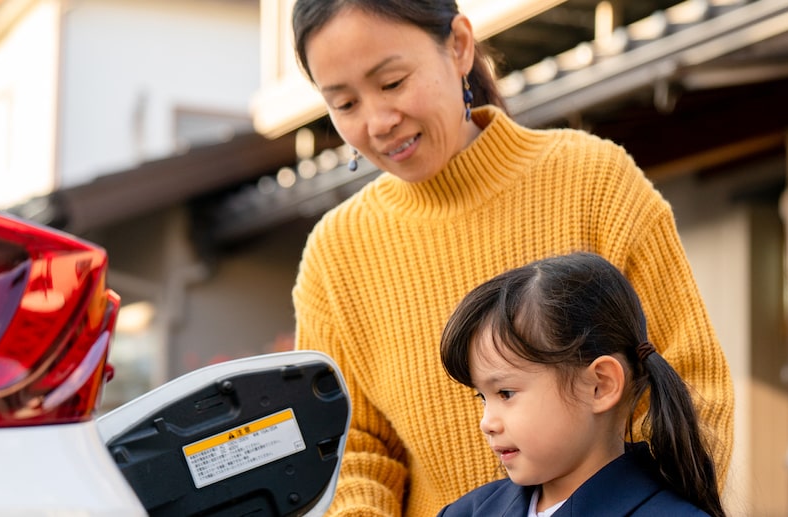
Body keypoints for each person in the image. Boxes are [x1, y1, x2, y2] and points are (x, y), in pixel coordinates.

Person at [288, 1, 734, 515]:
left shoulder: (595, 182)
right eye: (344, 104)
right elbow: (350, 451)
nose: (378, 122)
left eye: (391, 83)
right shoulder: (335, 254)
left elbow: (691, 388)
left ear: (458, 46)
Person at [436, 252, 724, 517]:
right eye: (483, 398)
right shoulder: (467, 512)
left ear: (600, 385)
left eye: (506, 393)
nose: (486, 423)